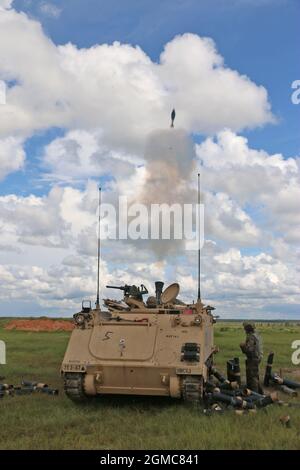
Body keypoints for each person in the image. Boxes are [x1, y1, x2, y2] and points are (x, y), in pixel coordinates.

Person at [240, 322, 263, 393]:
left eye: (245, 328)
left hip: (253, 358)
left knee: (252, 376)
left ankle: (255, 393)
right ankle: (259, 392)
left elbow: (249, 350)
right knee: (254, 375)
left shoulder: (251, 337)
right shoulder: (254, 335)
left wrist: (243, 347)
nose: (244, 330)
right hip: (255, 358)